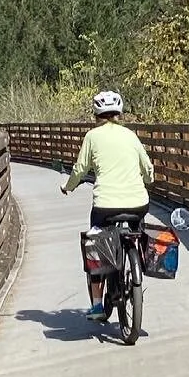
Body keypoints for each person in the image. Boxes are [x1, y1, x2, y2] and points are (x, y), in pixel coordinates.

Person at [61, 90, 155, 320]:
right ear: (120, 113)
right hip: (138, 203)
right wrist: (148, 180)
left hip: (105, 206)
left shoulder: (92, 137)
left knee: (95, 246)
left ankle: (96, 305)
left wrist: (69, 186)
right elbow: (147, 168)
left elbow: (80, 169)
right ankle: (137, 264)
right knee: (136, 229)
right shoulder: (131, 136)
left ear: (96, 114)